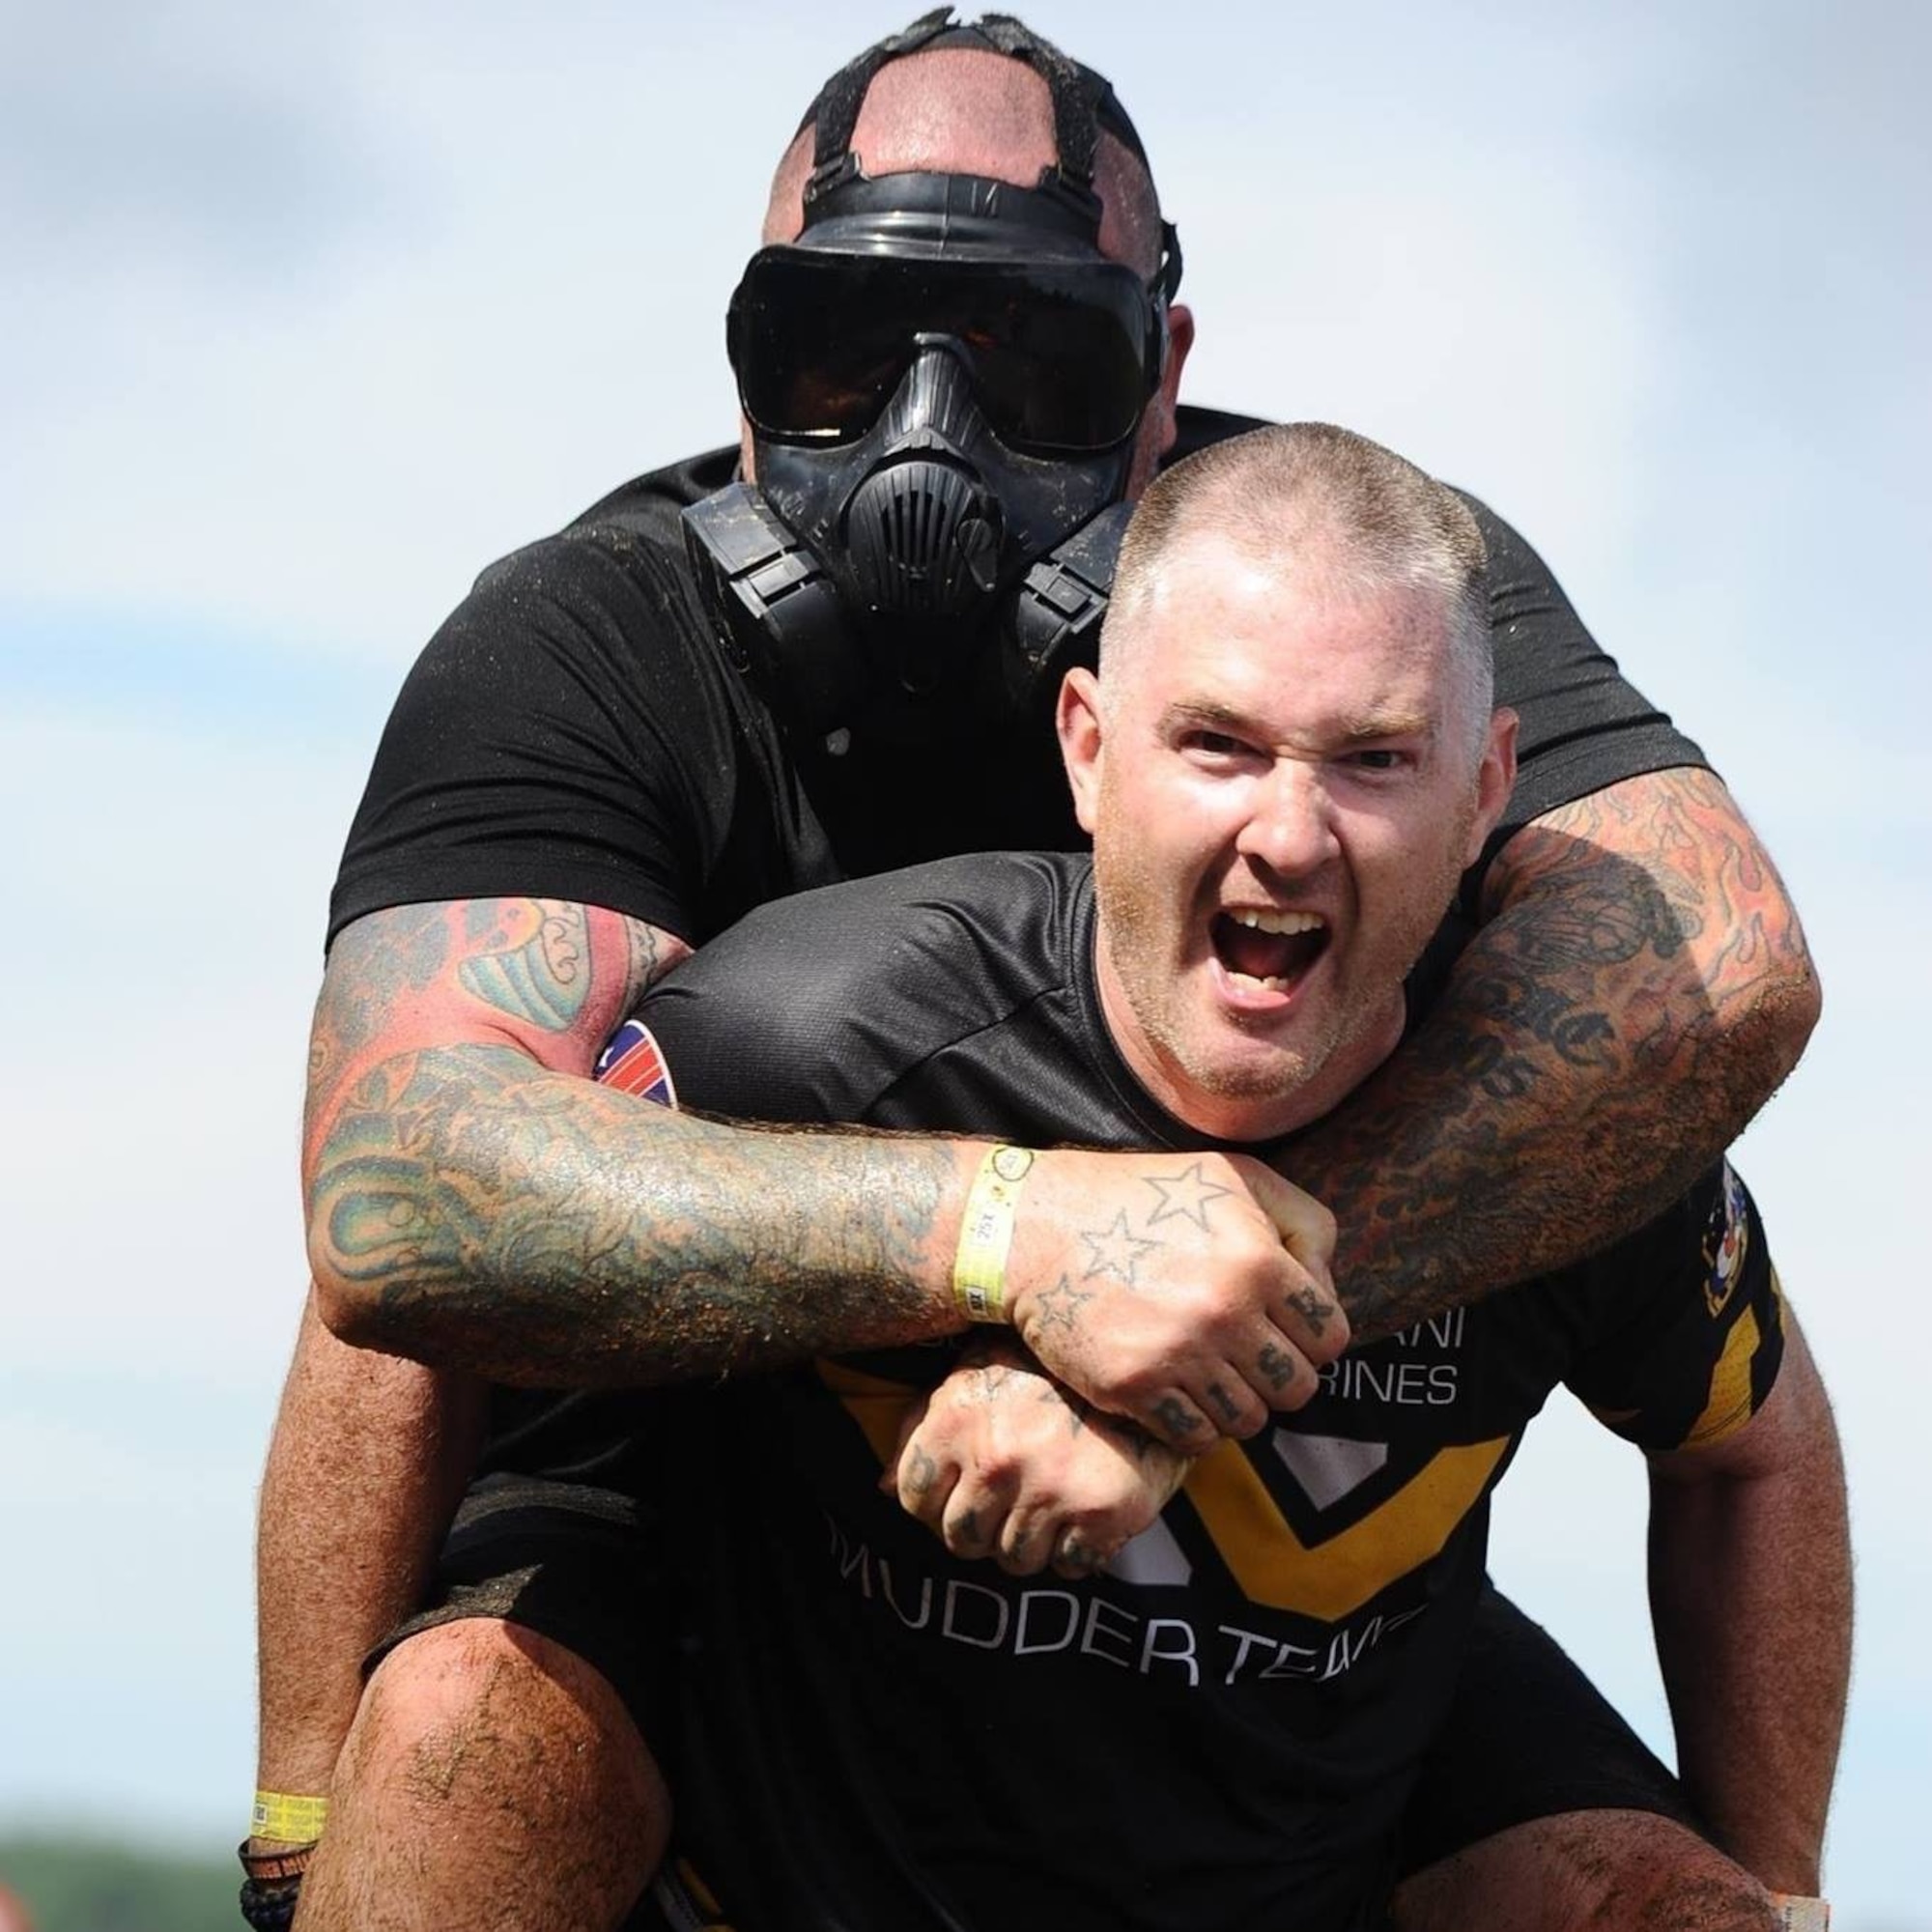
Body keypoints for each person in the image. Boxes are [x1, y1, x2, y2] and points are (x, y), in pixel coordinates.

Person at [249, 12, 1821, 1930]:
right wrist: (1027, 1241)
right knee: (465, 1746)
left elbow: (1714, 971)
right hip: (722, 1512)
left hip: (1294, 1630)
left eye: (1032, 354)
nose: (930, 440)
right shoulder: (594, 644)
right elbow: (408, 1200)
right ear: (1092, 744)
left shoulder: (1332, 586)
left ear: (1163, 368)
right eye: (838, 347)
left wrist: (1197, 1344)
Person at [466, 420, 1843, 1929]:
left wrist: (1780, 1886)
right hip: (782, 1884)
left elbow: (1757, 1457)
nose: (1290, 835)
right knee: (454, 1726)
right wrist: (299, 1808)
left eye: (1375, 760)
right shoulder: (809, 1036)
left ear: (1487, 790)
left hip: (1319, 1869)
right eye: (1219, 745)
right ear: (1086, 748)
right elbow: (431, 1279)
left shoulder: (1566, 1122)